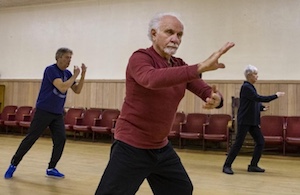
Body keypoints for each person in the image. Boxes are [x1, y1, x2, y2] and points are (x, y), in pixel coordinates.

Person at [95, 12, 234, 195]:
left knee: (180, 189)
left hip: (160, 147)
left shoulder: (178, 65)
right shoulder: (140, 58)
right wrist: (199, 67)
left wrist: (216, 99)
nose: (175, 39)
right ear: (154, 34)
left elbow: (203, 89)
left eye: (179, 35)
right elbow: (151, 79)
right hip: (131, 145)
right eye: (169, 32)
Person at [4, 48, 87, 179]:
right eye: (66, 57)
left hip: (57, 113)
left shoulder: (68, 73)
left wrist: (82, 75)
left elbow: (77, 90)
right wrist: (75, 75)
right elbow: (62, 87)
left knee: (61, 139)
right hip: (44, 111)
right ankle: (13, 164)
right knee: (31, 138)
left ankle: (51, 168)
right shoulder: (51, 70)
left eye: (70, 58)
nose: (69, 60)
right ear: (58, 57)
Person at [222, 64, 285, 175]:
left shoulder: (251, 87)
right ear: (249, 75)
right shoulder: (246, 87)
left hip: (253, 121)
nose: (257, 76)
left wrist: (261, 108)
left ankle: (253, 165)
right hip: (245, 120)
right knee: (238, 143)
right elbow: (258, 98)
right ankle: (227, 165)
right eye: (255, 74)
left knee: (260, 142)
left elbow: (254, 102)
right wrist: (275, 95)